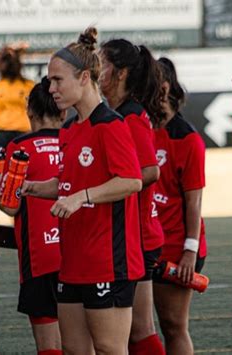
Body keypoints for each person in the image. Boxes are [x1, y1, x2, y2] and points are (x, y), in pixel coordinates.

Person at [22, 27, 144, 354]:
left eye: (58, 80)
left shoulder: (111, 124)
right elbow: (67, 184)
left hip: (109, 262)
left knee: (110, 349)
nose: (51, 88)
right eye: (49, 80)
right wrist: (34, 188)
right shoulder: (69, 129)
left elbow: (131, 180)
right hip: (72, 261)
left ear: (85, 77)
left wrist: (82, 197)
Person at [99, 39, 166, 355]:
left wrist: (116, 183)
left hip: (138, 235)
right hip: (130, 234)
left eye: (103, 63)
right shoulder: (117, 113)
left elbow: (151, 170)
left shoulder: (129, 115)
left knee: (139, 331)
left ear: (121, 72)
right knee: (125, 333)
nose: (97, 70)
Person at [0, 77, 64, 354]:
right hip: (78, 255)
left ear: (29, 111)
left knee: (50, 347)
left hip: (40, 257)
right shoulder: (75, 141)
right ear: (63, 111)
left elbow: (10, 205)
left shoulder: (21, 148)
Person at [152, 57, 207, 355]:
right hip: (144, 244)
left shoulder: (186, 139)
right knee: (137, 328)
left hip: (176, 247)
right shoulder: (140, 127)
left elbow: (194, 202)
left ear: (163, 88)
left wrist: (189, 251)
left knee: (172, 325)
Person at [0, 44, 34, 149]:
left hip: (23, 131)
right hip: (2, 132)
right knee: (2, 163)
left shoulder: (28, 85)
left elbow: (38, 107)